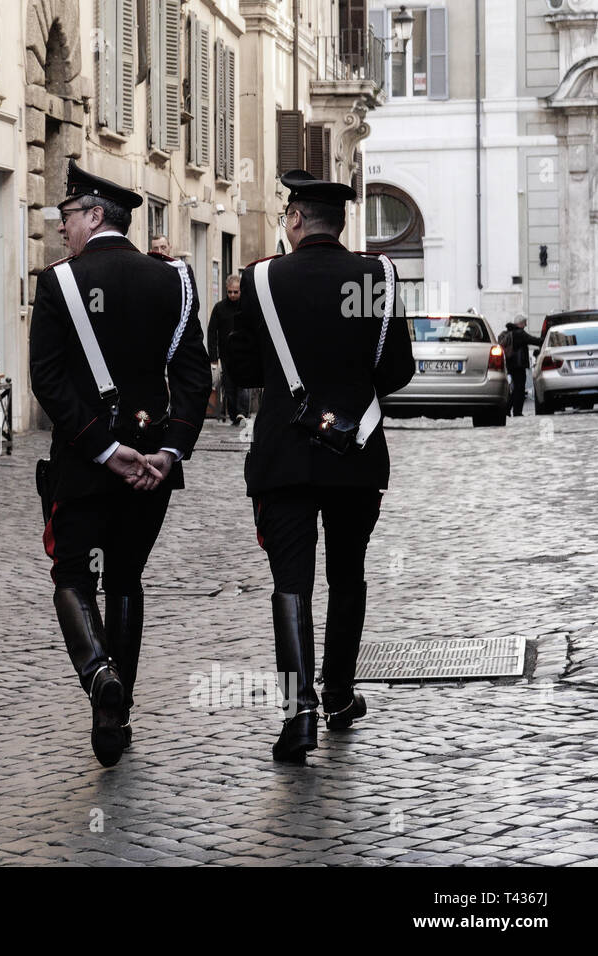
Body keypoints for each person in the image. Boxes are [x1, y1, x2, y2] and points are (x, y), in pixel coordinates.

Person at [226, 169, 414, 763]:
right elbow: (397, 372)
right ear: (341, 224)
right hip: (355, 453)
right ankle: (338, 695)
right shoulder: (376, 277)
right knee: (348, 575)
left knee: (291, 583)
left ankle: (298, 715)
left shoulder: (259, 279)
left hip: (285, 454)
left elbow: (247, 373)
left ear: (296, 221)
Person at [30, 161, 211, 767]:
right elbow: (192, 376)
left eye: (68, 216)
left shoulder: (59, 284)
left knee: (72, 575)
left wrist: (103, 449)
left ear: (95, 216)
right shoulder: (176, 281)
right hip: (152, 467)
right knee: (126, 578)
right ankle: (119, 710)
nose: (63, 230)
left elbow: (48, 382)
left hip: (85, 463)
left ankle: (100, 675)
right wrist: (169, 448)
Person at [208, 275, 250, 425]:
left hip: (244, 354)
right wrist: (213, 356)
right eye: (230, 292)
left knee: (243, 386)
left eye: (235, 292)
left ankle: (242, 413)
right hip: (226, 355)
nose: (232, 295)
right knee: (229, 387)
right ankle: (234, 415)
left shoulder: (247, 307)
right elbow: (212, 332)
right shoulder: (219, 308)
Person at [501, 316, 542, 416]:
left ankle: (509, 409)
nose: (526, 325)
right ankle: (516, 411)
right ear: (520, 324)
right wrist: (546, 340)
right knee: (520, 388)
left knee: (516, 388)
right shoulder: (520, 333)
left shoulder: (509, 332)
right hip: (519, 365)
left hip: (511, 364)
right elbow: (533, 340)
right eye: (525, 323)